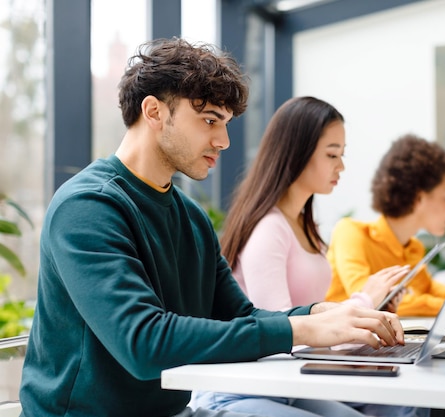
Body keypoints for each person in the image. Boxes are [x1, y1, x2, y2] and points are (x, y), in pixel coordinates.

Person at [18, 38, 405, 417]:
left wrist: (320, 314)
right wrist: (300, 331)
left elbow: (239, 316)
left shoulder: (190, 216)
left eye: (225, 123)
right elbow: (143, 343)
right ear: (153, 112)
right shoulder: (87, 207)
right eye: (209, 121)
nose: (223, 141)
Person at [189, 96, 418, 417]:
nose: (341, 166)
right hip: (246, 386)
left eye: (342, 154)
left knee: (403, 403)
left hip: (287, 381)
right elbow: (284, 331)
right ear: (296, 154)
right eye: (332, 154)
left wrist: (372, 313)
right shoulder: (269, 229)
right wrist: (364, 302)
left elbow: (311, 332)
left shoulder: (304, 226)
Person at [325, 134, 445, 319]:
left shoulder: (413, 248)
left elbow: (427, 289)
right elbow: (369, 298)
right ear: (418, 198)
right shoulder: (350, 232)